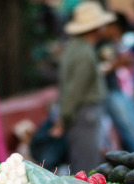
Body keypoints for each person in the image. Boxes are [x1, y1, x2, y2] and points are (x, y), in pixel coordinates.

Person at [50, 1, 116, 174]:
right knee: (86, 168)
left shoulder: (76, 48)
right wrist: (63, 118)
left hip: (81, 115)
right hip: (85, 115)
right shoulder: (84, 53)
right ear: (96, 27)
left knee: (82, 163)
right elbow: (74, 90)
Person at [98, 12, 134, 154]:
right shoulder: (100, 45)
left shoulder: (111, 43)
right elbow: (99, 70)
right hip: (113, 92)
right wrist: (118, 63)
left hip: (121, 91)